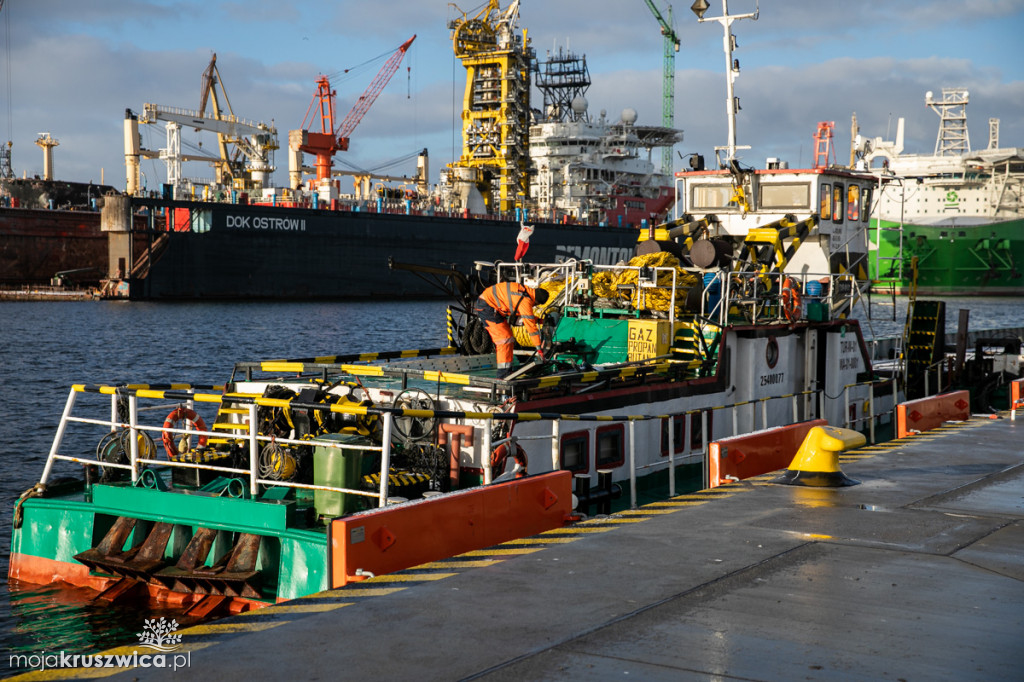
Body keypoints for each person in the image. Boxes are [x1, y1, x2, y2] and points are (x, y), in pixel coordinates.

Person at [474, 282, 549, 378]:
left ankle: (507, 370)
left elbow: (525, 316)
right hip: (488, 306)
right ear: (537, 302)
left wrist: (539, 320)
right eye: (535, 305)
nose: (534, 306)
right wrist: (539, 349)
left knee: (509, 338)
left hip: (491, 305)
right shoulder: (526, 301)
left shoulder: (526, 292)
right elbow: (531, 327)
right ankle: (502, 375)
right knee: (504, 339)